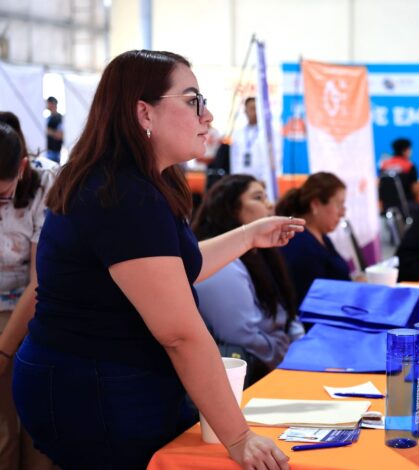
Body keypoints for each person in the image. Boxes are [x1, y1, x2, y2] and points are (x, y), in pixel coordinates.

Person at [12, 50, 301, 470]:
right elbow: (180, 333)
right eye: (193, 101)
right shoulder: (123, 195)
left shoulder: (137, 181)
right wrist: (239, 437)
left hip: (105, 380)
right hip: (95, 391)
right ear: (143, 113)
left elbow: (177, 269)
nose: (207, 116)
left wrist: (249, 236)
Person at [192, 175, 305, 387]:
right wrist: (286, 354)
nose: (270, 205)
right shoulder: (221, 263)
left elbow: (287, 312)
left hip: (277, 357)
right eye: (258, 198)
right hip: (253, 372)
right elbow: (241, 335)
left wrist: (300, 345)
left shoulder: (260, 253)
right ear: (232, 209)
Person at [0, 121, 55, 470]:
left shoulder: (45, 185)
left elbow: (41, 282)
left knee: (37, 423)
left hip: (36, 307)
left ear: (22, 167)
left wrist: (4, 350)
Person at [276, 172, 351, 304]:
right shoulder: (300, 244)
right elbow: (308, 301)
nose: (342, 213)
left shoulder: (321, 237)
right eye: (338, 204)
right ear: (315, 204)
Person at [229, 97, 276, 198]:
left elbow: (274, 159)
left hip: (261, 180)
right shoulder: (238, 134)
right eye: (251, 108)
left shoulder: (269, 133)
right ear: (245, 110)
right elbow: (234, 160)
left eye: (256, 108)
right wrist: (234, 179)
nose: (254, 112)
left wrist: (265, 179)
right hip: (240, 181)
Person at [379, 137, 419, 202]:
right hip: (406, 204)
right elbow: (415, 190)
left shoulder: (384, 165)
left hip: (386, 204)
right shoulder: (409, 166)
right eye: (410, 149)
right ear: (405, 151)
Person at [45, 97, 64, 163]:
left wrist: (48, 131)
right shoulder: (48, 118)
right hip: (47, 152)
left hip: (55, 154)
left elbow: (60, 135)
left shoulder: (59, 118)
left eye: (48, 103)